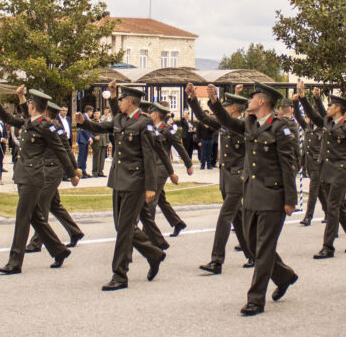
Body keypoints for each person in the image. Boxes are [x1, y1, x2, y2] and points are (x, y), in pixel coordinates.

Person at [207, 82, 299, 315]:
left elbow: (288, 165)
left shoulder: (280, 127)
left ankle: (256, 299)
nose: (248, 101)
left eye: (252, 97)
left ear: (262, 101)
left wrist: (290, 199)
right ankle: (284, 276)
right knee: (250, 244)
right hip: (250, 193)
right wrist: (215, 103)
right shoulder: (250, 123)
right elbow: (228, 122)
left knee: (264, 248)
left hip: (272, 196)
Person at [74, 82, 167, 291]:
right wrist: (83, 122)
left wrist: (150, 187)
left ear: (130, 102)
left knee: (125, 228)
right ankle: (154, 254)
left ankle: (120, 274)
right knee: (121, 226)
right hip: (118, 178)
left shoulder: (144, 123)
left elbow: (149, 156)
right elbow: (100, 127)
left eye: (121, 99)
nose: (119, 102)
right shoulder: (119, 119)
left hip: (135, 181)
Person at [0, 87, 75, 274]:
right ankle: (59, 250)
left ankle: (15, 261)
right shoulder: (30, 122)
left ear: (33, 106)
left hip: (33, 177)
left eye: (28, 103)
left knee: (22, 218)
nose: (26, 106)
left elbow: (61, 150)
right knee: (36, 218)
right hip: (23, 175)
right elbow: (9, 119)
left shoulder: (46, 126)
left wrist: (72, 173)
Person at [187, 84, 252, 274]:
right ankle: (253, 254)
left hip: (238, 176)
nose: (223, 108)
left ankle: (216, 260)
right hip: (225, 176)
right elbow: (204, 118)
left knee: (225, 216)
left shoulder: (244, 126)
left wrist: (215, 101)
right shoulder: (224, 124)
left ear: (233, 109)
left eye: (226, 105)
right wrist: (193, 99)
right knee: (237, 218)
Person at [297, 82, 346, 259]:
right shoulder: (328, 122)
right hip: (326, 170)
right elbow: (314, 114)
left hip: (341, 171)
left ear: (339, 108)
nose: (328, 108)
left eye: (331, 106)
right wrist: (303, 97)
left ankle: (328, 246)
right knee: (337, 206)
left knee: (333, 207)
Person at [25, 99, 85, 252]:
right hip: (47, 169)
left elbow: (64, 149)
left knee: (41, 205)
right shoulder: (49, 126)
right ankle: (75, 232)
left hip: (51, 171)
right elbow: (66, 149)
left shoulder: (52, 127)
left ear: (45, 112)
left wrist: (74, 170)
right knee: (54, 205)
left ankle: (37, 241)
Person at [141, 100, 192, 248]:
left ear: (156, 114)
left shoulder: (167, 130)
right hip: (151, 167)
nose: (149, 114)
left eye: (151, 112)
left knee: (150, 200)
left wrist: (188, 164)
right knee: (160, 199)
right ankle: (177, 222)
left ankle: (147, 234)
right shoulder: (149, 128)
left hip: (161, 168)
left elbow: (179, 147)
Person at [293, 95, 324, 226]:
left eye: (308, 116)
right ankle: (329, 213)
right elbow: (298, 117)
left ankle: (308, 217)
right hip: (309, 164)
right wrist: (295, 102)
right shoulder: (307, 127)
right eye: (306, 116)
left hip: (318, 165)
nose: (307, 118)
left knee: (313, 191)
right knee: (320, 191)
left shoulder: (322, 129)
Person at [76, 106, 94, 173]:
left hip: (85, 139)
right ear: (89, 111)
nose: (92, 113)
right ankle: (80, 171)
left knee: (84, 156)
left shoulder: (88, 118)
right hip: (82, 139)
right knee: (81, 156)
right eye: (91, 111)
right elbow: (83, 129)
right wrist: (89, 137)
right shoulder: (83, 117)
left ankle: (83, 170)